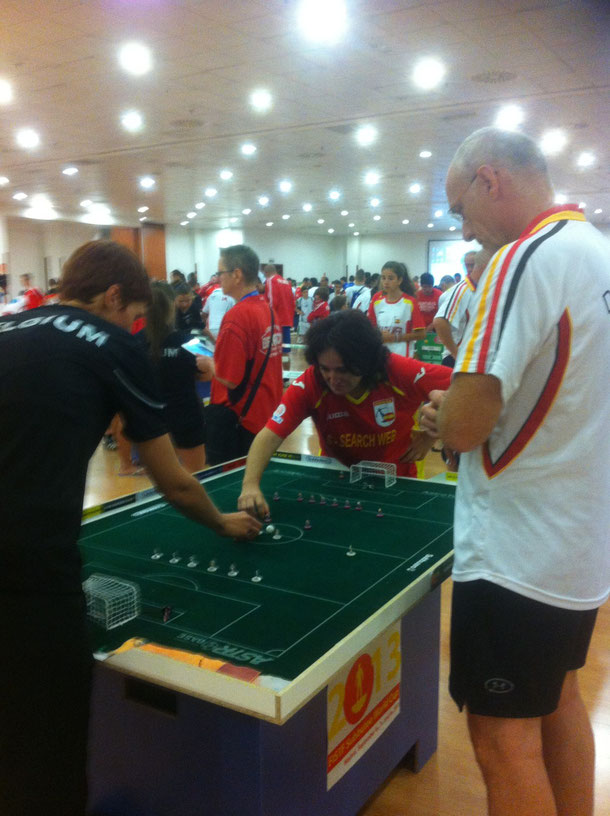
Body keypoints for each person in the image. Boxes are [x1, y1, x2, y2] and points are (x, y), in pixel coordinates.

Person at [0, 240, 260, 816]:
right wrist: (222, 523)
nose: (140, 328)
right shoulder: (113, 345)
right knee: (50, 756)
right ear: (114, 296)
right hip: (30, 578)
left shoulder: (10, 327)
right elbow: (173, 479)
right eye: (138, 315)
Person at [421, 127, 610, 816]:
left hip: (516, 555)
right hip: (579, 548)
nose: (459, 225)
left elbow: (466, 426)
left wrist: (441, 416)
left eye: (457, 205)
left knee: (504, 745)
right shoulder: (599, 253)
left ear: (489, 181)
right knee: (559, 701)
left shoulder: (519, 259)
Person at [238, 310, 451, 517]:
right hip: (336, 482)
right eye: (325, 368)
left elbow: (465, 389)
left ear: (366, 362)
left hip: (398, 484)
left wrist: (432, 434)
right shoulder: (311, 382)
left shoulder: (397, 371)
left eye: (343, 369)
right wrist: (250, 486)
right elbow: (269, 435)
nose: (333, 378)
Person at [200, 244, 283, 466]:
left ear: (236, 274)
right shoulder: (268, 310)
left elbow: (229, 378)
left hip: (240, 420)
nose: (217, 279)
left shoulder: (237, 317)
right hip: (266, 416)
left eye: (220, 273)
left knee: (233, 486)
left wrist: (209, 363)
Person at [138, 281, 208, 472]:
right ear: (172, 306)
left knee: (163, 481)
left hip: (150, 419)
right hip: (186, 414)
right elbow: (210, 370)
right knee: (196, 476)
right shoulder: (188, 341)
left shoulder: (134, 343)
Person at [433, 248, 493, 367]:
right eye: (467, 265)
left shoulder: (486, 288)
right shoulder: (462, 290)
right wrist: (456, 354)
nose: (470, 269)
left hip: (476, 357)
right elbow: (440, 322)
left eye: (472, 265)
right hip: (458, 358)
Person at [368, 261, 425, 357]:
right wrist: (378, 334)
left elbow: (421, 334)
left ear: (399, 280)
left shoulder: (410, 302)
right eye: (383, 278)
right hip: (381, 356)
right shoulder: (376, 300)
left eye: (390, 278)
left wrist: (394, 337)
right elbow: (370, 327)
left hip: (403, 357)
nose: (386, 282)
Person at [263, 263, 296, 360]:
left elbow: (272, 302)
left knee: (272, 352)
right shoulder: (286, 282)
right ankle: (286, 374)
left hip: (276, 322)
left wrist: (266, 319)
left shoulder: (270, 280)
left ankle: (274, 374)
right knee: (285, 351)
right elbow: (292, 302)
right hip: (287, 321)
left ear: (266, 273)